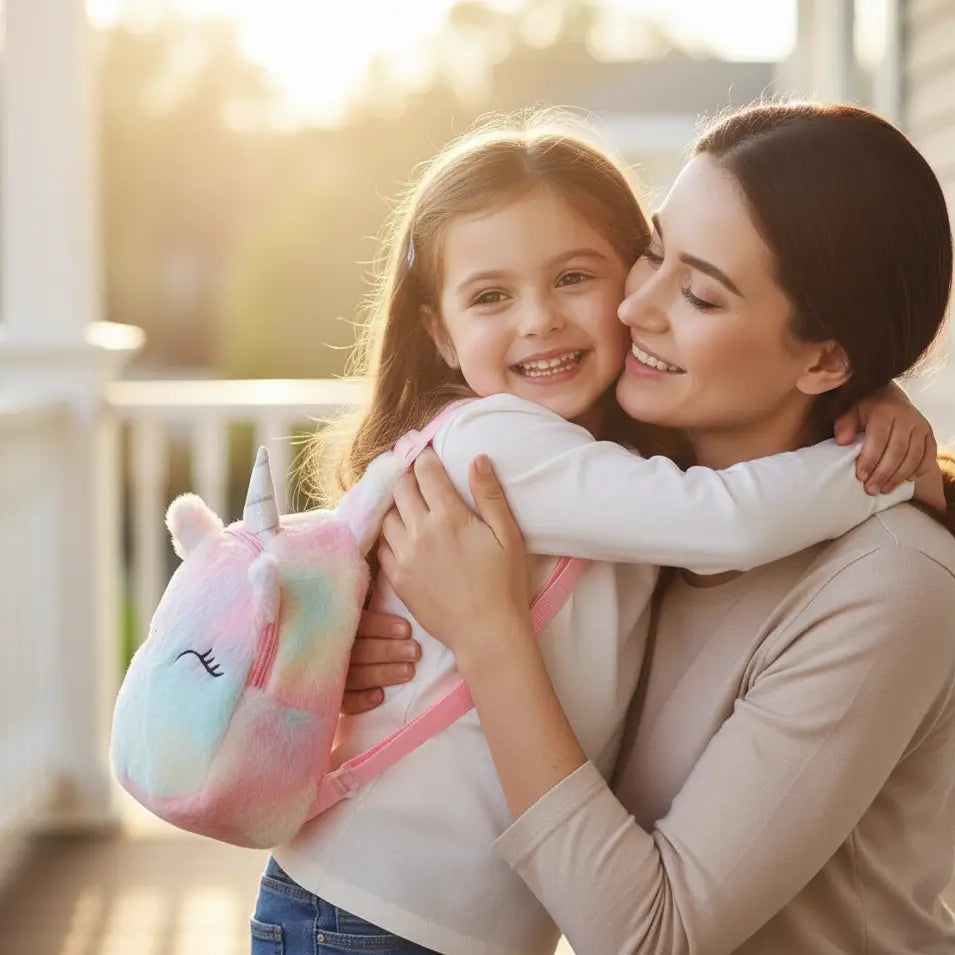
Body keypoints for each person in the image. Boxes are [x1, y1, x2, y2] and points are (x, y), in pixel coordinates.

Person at [252, 111, 938, 955]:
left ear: (825, 359)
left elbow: (652, 934)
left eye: (697, 291)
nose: (635, 304)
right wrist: (356, 637)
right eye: (653, 252)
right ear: (440, 328)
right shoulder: (589, 474)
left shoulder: (886, 584)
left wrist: (485, 635)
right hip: (370, 911)